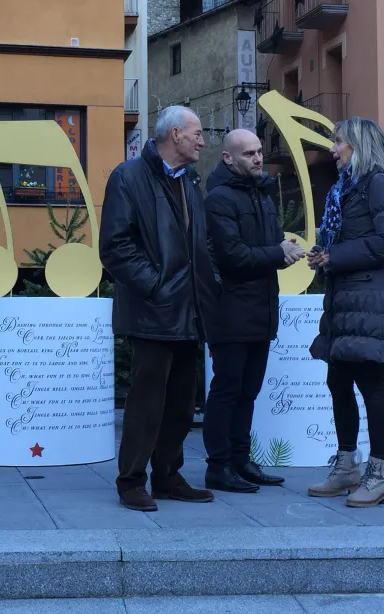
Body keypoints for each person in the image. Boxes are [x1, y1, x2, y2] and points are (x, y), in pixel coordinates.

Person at [99, 106, 218, 512]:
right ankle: (131, 481)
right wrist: (156, 286)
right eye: (197, 133)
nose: (203, 141)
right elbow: (115, 247)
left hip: (190, 311)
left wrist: (209, 285)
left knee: (183, 403)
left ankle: (167, 475)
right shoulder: (127, 177)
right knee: (147, 401)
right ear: (175, 134)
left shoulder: (190, 182)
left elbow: (200, 246)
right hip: (153, 311)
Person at [305, 117, 384, 508]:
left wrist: (336, 255)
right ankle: (346, 466)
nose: (333, 149)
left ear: (359, 145)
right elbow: (346, 238)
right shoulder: (345, 189)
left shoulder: (377, 183)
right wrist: (322, 255)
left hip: (368, 304)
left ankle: (378, 475)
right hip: (343, 299)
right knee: (338, 383)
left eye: (339, 141)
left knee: (370, 386)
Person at [202, 129, 305, 493]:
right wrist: (278, 253)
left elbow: (266, 249)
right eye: (249, 154)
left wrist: (285, 251)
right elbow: (233, 256)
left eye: (260, 151)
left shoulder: (262, 195)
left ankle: (241, 461)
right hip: (230, 311)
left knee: (249, 392)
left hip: (260, 310)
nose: (258, 158)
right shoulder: (218, 199)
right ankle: (218, 467)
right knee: (228, 390)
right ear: (229, 158)